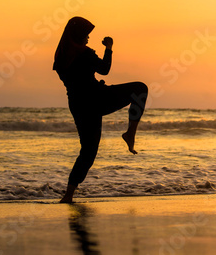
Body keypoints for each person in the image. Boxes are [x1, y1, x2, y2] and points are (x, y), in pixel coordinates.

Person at [53, 16, 148, 203]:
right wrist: (109, 47)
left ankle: (68, 194)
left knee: (88, 151)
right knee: (140, 89)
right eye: (86, 35)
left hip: (78, 105)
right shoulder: (84, 54)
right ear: (79, 35)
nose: (88, 38)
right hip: (97, 98)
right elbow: (105, 69)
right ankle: (130, 133)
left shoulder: (62, 56)